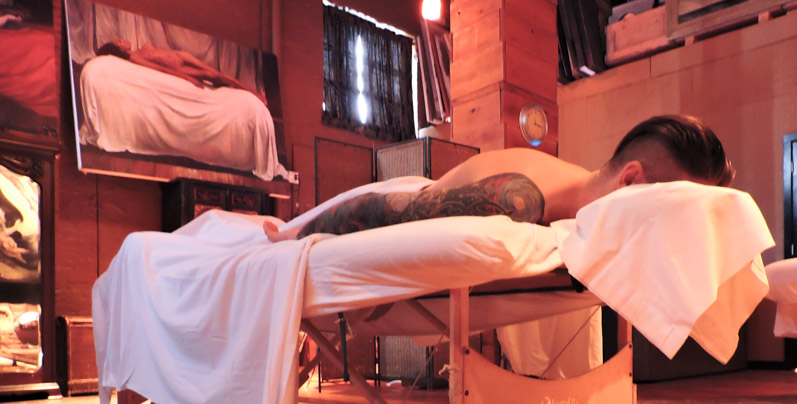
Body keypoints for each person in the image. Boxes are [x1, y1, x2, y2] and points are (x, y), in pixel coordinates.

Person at [264, 114, 734, 241]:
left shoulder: (579, 194)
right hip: (399, 196)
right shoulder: (518, 198)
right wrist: (297, 235)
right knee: (279, 236)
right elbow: (374, 212)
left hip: (420, 193)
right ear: (629, 182)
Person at [95, 39, 269, 106]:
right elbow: (160, 69)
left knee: (216, 75)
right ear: (118, 49)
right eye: (119, 42)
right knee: (215, 76)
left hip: (181, 56)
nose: (123, 40)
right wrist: (186, 77)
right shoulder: (135, 58)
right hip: (177, 67)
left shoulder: (138, 51)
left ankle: (249, 93)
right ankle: (256, 95)